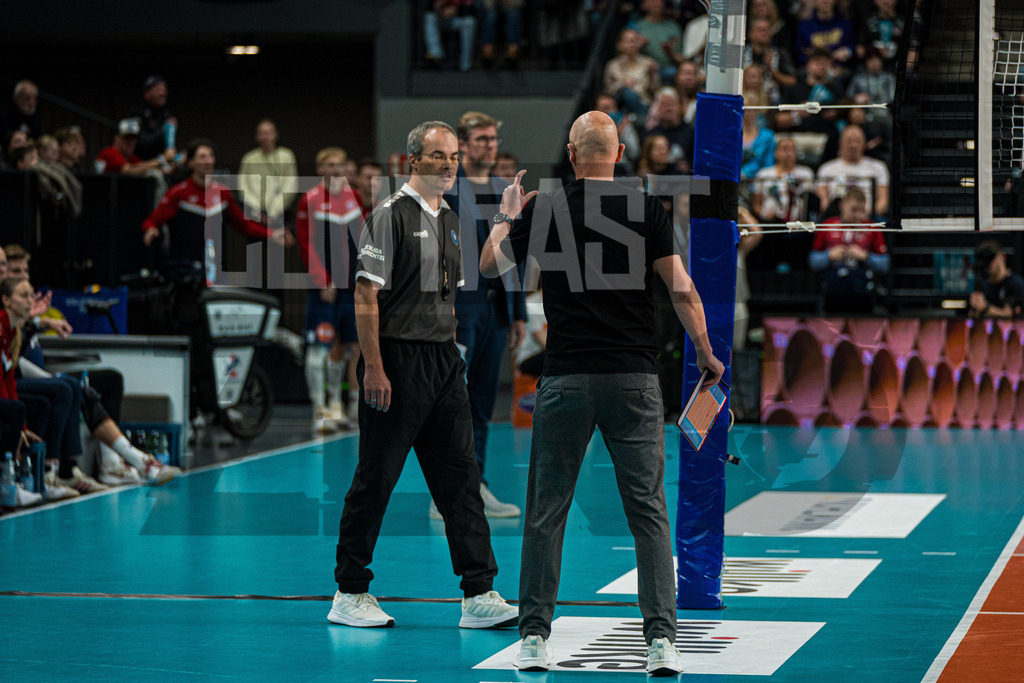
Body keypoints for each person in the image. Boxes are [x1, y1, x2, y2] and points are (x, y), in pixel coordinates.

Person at [480, 111, 724, 675]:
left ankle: (535, 637)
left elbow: (491, 265)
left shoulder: (542, 207)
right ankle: (661, 640)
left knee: (546, 512)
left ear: (571, 153)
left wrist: (503, 214)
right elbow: (681, 289)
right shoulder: (646, 208)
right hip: (634, 381)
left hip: (566, 378)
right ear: (618, 155)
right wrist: (707, 352)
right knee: (649, 513)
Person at [328, 120, 517, 630]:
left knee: (461, 480)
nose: (449, 164)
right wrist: (374, 367)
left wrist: (504, 219)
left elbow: (479, 272)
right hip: (395, 360)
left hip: (442, 363)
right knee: (376, 479)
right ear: (413, 161)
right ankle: (349, 591)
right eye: (438, 156)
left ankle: (479, 592)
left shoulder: (452, 217)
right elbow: (365, 296)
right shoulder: (388, 215)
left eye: (453, 156)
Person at [440, 111, 525, 519]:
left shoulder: (502, 190)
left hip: (495, 310)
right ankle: (446, 493)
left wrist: (519, 311)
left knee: (483, 400)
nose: (489, 145)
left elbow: (515, 252)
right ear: (463, 143)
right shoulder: (448, 190)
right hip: (460, 309)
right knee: (450, 401)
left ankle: (477, 483)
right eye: (481, 139)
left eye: (494, 138)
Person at [295, 147, 364, 434]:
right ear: (321, 168)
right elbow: (304, 242)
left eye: (340, 165)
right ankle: (319, 410)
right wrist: (321, 278)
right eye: (330, 165)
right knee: (318, 348)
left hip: (351, 289)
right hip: (324, 290)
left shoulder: (354, 198)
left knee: (347, 348)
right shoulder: (309, 200)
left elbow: (363, 241)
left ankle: (337, 405)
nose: (336, 170)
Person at [141, 138, 293, 267]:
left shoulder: (223, 193)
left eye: (211, 156)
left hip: (215, 268)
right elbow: (153, 221)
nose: (208, 161)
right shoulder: (178, 193)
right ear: (191, 162)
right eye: (202, 157)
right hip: (184, 268)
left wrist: (272, 234)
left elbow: (244, 225)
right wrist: (151, 229)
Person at [808, 188, 889, 313]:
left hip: (862, 289)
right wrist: (829, 255)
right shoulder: (827, 225)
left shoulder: (872, 227)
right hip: (832, 289)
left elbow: (885, 264)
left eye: (861, 210)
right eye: (854, 210)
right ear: (842, 206)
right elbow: (812, 261)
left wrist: (866, 257)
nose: (858, 215)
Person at [816, 124, 890, 218]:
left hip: (868, 217)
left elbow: (883, 202)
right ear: (840, 144)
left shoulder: (879, 167)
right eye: (849, 141)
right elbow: (823, 203)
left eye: (857, 141)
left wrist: (864, 216)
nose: (853, 145)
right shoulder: (826, 169)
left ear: (864, 144)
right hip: (836, 218)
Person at [238, 118, 298, 227]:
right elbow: (244, 186)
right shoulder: (249, 158)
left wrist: (274, 211)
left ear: (275, 134)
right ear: (257, 137)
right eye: (262, 134)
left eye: (268, 133)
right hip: (255, 215)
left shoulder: (286, 156)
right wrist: (257, 211)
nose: (265, 137)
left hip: (280, 213)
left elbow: (290, 185)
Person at [603, 28, 661, 121]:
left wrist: (652, 76)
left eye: (633, 41)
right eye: (627, 41)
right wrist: (622, 85)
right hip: (620, 104)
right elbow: (608, 91)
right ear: (620, 45)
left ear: (639, 43)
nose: (631, 44)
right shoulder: (612, 65)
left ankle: (642, 120)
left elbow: (656, 90)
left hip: (643, 103)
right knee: (627, 93)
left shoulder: (649, 63)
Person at [969, 240, 1024, 318]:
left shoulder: (1016, 285)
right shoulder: (983, 285)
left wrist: (986, 308)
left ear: (1002, 257)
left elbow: (1011, 316)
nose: (987, 264)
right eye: (983, 260)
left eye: (990, 259)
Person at [95, 118, 166, 176]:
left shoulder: (131, 158)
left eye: (134, 138)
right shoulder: (109, 153)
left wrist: (169, 164)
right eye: (127, 138)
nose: (131, 142)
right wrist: (160, 160)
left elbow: (144, 167)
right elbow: (129, 171)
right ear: (116, 139)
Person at [133, 75, 177, 162]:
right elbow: (141, 145)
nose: (162, 94)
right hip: (140, 163)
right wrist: (163, 130)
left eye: (164, 90)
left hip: (161, 161)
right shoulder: (137, 113)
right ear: (146, 94)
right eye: (157, 90)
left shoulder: (165, 113)